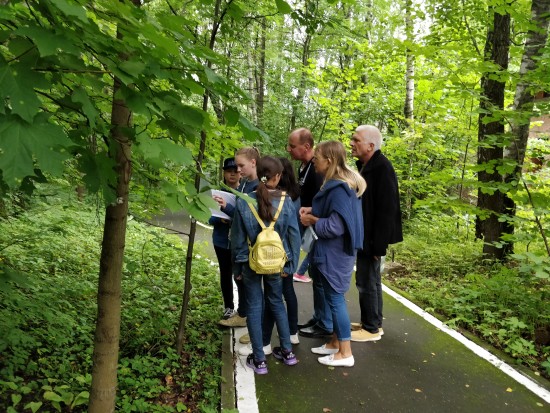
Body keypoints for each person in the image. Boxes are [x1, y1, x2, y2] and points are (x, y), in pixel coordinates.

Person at [231, 156, 301, 374]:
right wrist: (290, 266)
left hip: (252, 262)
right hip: (277, 262)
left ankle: (260, 360)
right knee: (277, 303)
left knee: (254, 306)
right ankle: (287, 352)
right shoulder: (286, 201)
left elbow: (237, 238)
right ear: (278, 176)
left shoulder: (245, 200)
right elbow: (294, 237)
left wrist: (238, 268)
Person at [299, 140, 365, 367]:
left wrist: (311, 220)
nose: (314, 162)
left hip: (335, 255)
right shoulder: (339, 185)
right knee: (332, 298)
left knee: (336, 300)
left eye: (317, 158)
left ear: (329, 161)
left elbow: (334, 227)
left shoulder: (339, 188)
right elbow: (334, 216)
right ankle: (335, 343)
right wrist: (313, 211)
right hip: (332, 254)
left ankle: (346, 353)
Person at [350, 125, 403, 342]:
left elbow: (386, 210)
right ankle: (373, 322)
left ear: (371, 145)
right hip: (368, 235)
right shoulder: (367, 166)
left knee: (366, 280)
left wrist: (379, 245)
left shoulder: (381, 168)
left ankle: (371, 328)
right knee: (371, 280)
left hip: (372, 238)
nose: (352, 143)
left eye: (356, 140)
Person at [287, 128, 332, 339]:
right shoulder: (305, 167)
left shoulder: (317, 168)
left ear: (306, 147)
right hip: (308, 225)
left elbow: (320, 201)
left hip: (316, 229)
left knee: (321, 277)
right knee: (315, 274)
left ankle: (325, 323)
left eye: (292, 146)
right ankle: (319, 317)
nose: (289, 150)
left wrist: (310, 217)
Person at [217, 147, 260, 329]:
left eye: (241, 166)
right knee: (240, 280)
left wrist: (227, 208)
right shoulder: (244, 185)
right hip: (238, 244)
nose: (238, 170)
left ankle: (253, 327)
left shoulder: (258, 188)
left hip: (248, 245)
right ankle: (243, 316)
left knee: (251, 286)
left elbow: (248, 218)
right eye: (235, 167)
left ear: (253, 163)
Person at [209, 158, 240, 323]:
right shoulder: (216, 193)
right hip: (221, 240)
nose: (232, 174)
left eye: (235, 171)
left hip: (239, 242)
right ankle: (229, 306)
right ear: (224, 173)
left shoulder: (245, 193)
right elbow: (209, 218)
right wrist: (219, 220)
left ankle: (244, 310)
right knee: (225, 272)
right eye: (229, 171)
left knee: (240, 274)